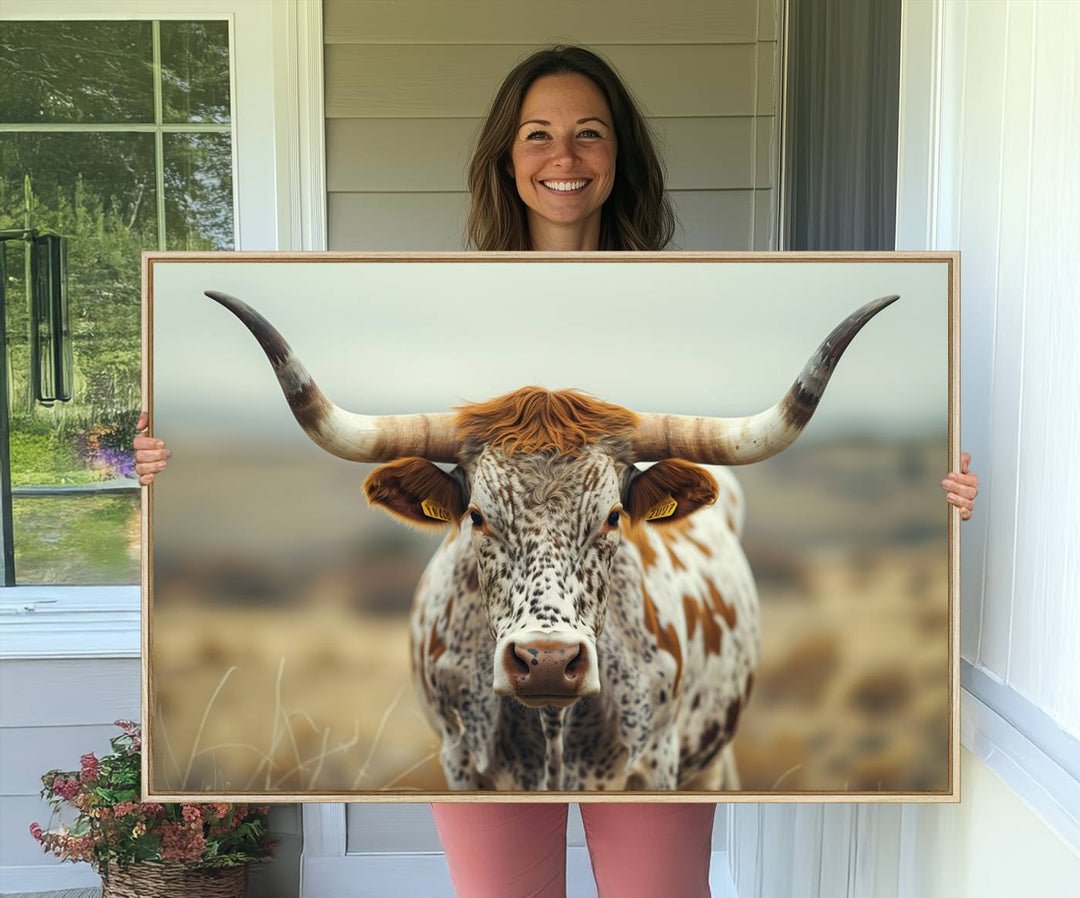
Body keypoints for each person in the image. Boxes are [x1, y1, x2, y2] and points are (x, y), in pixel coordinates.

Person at [135, 45, 979, 898]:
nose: (563, 158)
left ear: (619, 158)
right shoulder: (440, 310)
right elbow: (359, 434)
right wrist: (167, 464)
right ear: (508, 157)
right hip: (477, 660)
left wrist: (938, 497)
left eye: (589, 135)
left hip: (651, 662)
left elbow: (755, 437)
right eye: (537, 135)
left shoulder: (686, 307)